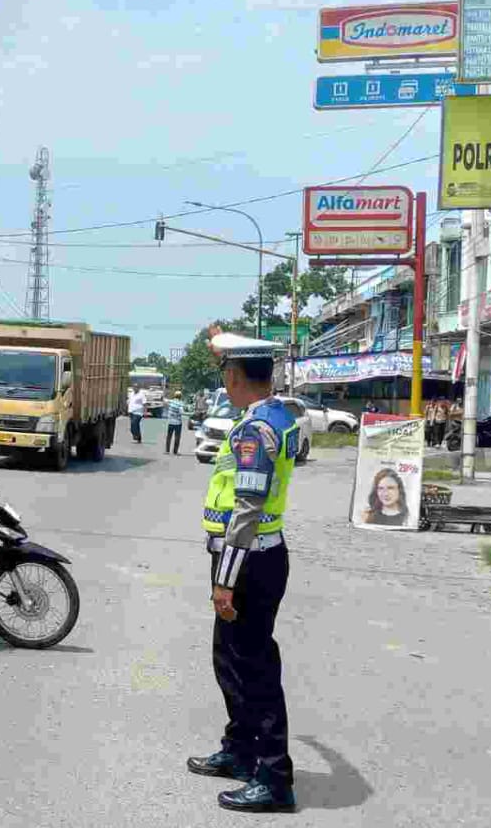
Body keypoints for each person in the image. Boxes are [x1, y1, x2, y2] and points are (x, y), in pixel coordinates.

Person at [187, 331, 298, 813]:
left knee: (254, 669)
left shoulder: (255, 430)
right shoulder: (282, 415)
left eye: (226, 375)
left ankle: (274, 778)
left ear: (234, 377)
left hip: (248, 560)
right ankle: (240, 750)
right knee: (229, 660)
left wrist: (224, 581)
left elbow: (247, 509)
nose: (225, 384)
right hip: (261, 557)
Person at [165, 391, 185, 455]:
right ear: (180, 396)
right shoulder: (181, 404)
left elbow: (165, 401)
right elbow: (181, 412)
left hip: (170, 422)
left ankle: (167, 450)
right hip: (178, 422)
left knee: (169, 436)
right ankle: (175, 451)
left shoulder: (171, 402)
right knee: (177, 437)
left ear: (174, 395)